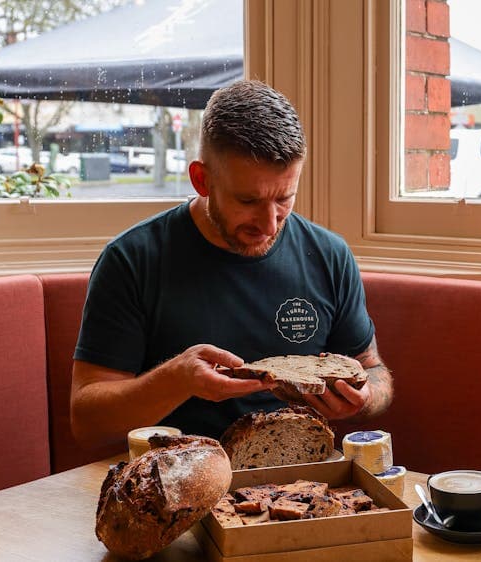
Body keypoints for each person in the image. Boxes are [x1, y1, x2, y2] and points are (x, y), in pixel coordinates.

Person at [70, 80, 393, 446]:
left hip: (298, 484)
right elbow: (87, 419)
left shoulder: (329, 255)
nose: (270, 224)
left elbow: (375, 372)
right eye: (248, 201)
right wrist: (179, 378)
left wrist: (364, 398)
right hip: (173, 477)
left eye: (284, 198)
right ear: (201, 179)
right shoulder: (132, 259)